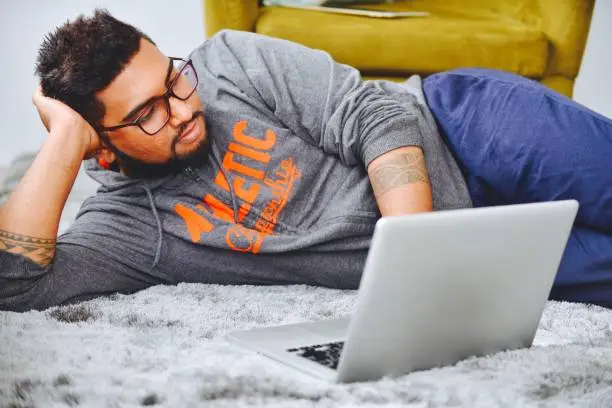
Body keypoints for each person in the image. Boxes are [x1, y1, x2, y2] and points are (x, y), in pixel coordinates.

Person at [1, 10, 610, 312]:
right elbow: (15, 285)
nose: (183, 108)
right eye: (147, 114)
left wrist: (414, 267)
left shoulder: (228, 62)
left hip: (465, 128)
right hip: (475, 257)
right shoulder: (128, 230)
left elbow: (377, 115)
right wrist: (60, 142)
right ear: (98, 143)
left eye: (173, 80)